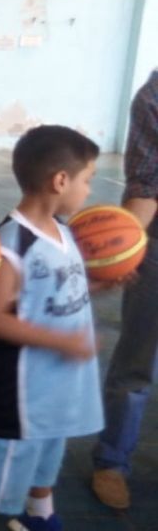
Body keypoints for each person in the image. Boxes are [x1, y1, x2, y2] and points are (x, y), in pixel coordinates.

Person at [0, 125, 103, 531]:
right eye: (87, 180)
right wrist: (61, 341)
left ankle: (38, 517)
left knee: (47, 453)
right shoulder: (11, 244)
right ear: (60, 181)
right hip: (15, 392)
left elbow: (58, 290)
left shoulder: (63, 232)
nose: (89, 190)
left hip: (53, 387)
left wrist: (105, 284)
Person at [91, 68, 158, 509]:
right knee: (139, 357)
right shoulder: (155, 96)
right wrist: (123, 252)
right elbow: (147, 184)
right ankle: (112, 460)